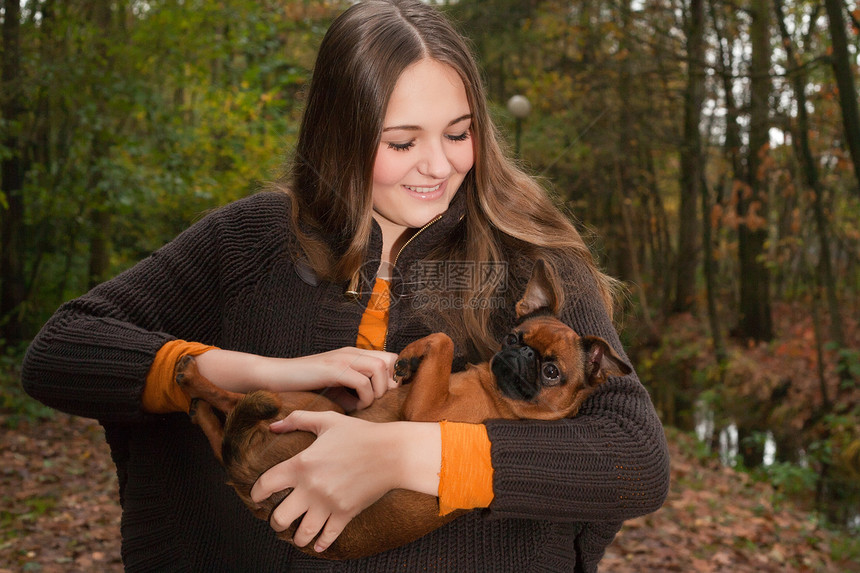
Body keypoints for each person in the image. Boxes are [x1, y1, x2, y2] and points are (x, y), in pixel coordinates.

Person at [21, 0, 670, 571]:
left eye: (459, 132)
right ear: (342, 136)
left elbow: (635, 457)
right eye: (401, 141)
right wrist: (268, 370)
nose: (439, 164)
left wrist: (408, 455)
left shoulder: (534, 259)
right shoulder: (251, 237)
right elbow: (61, 350)